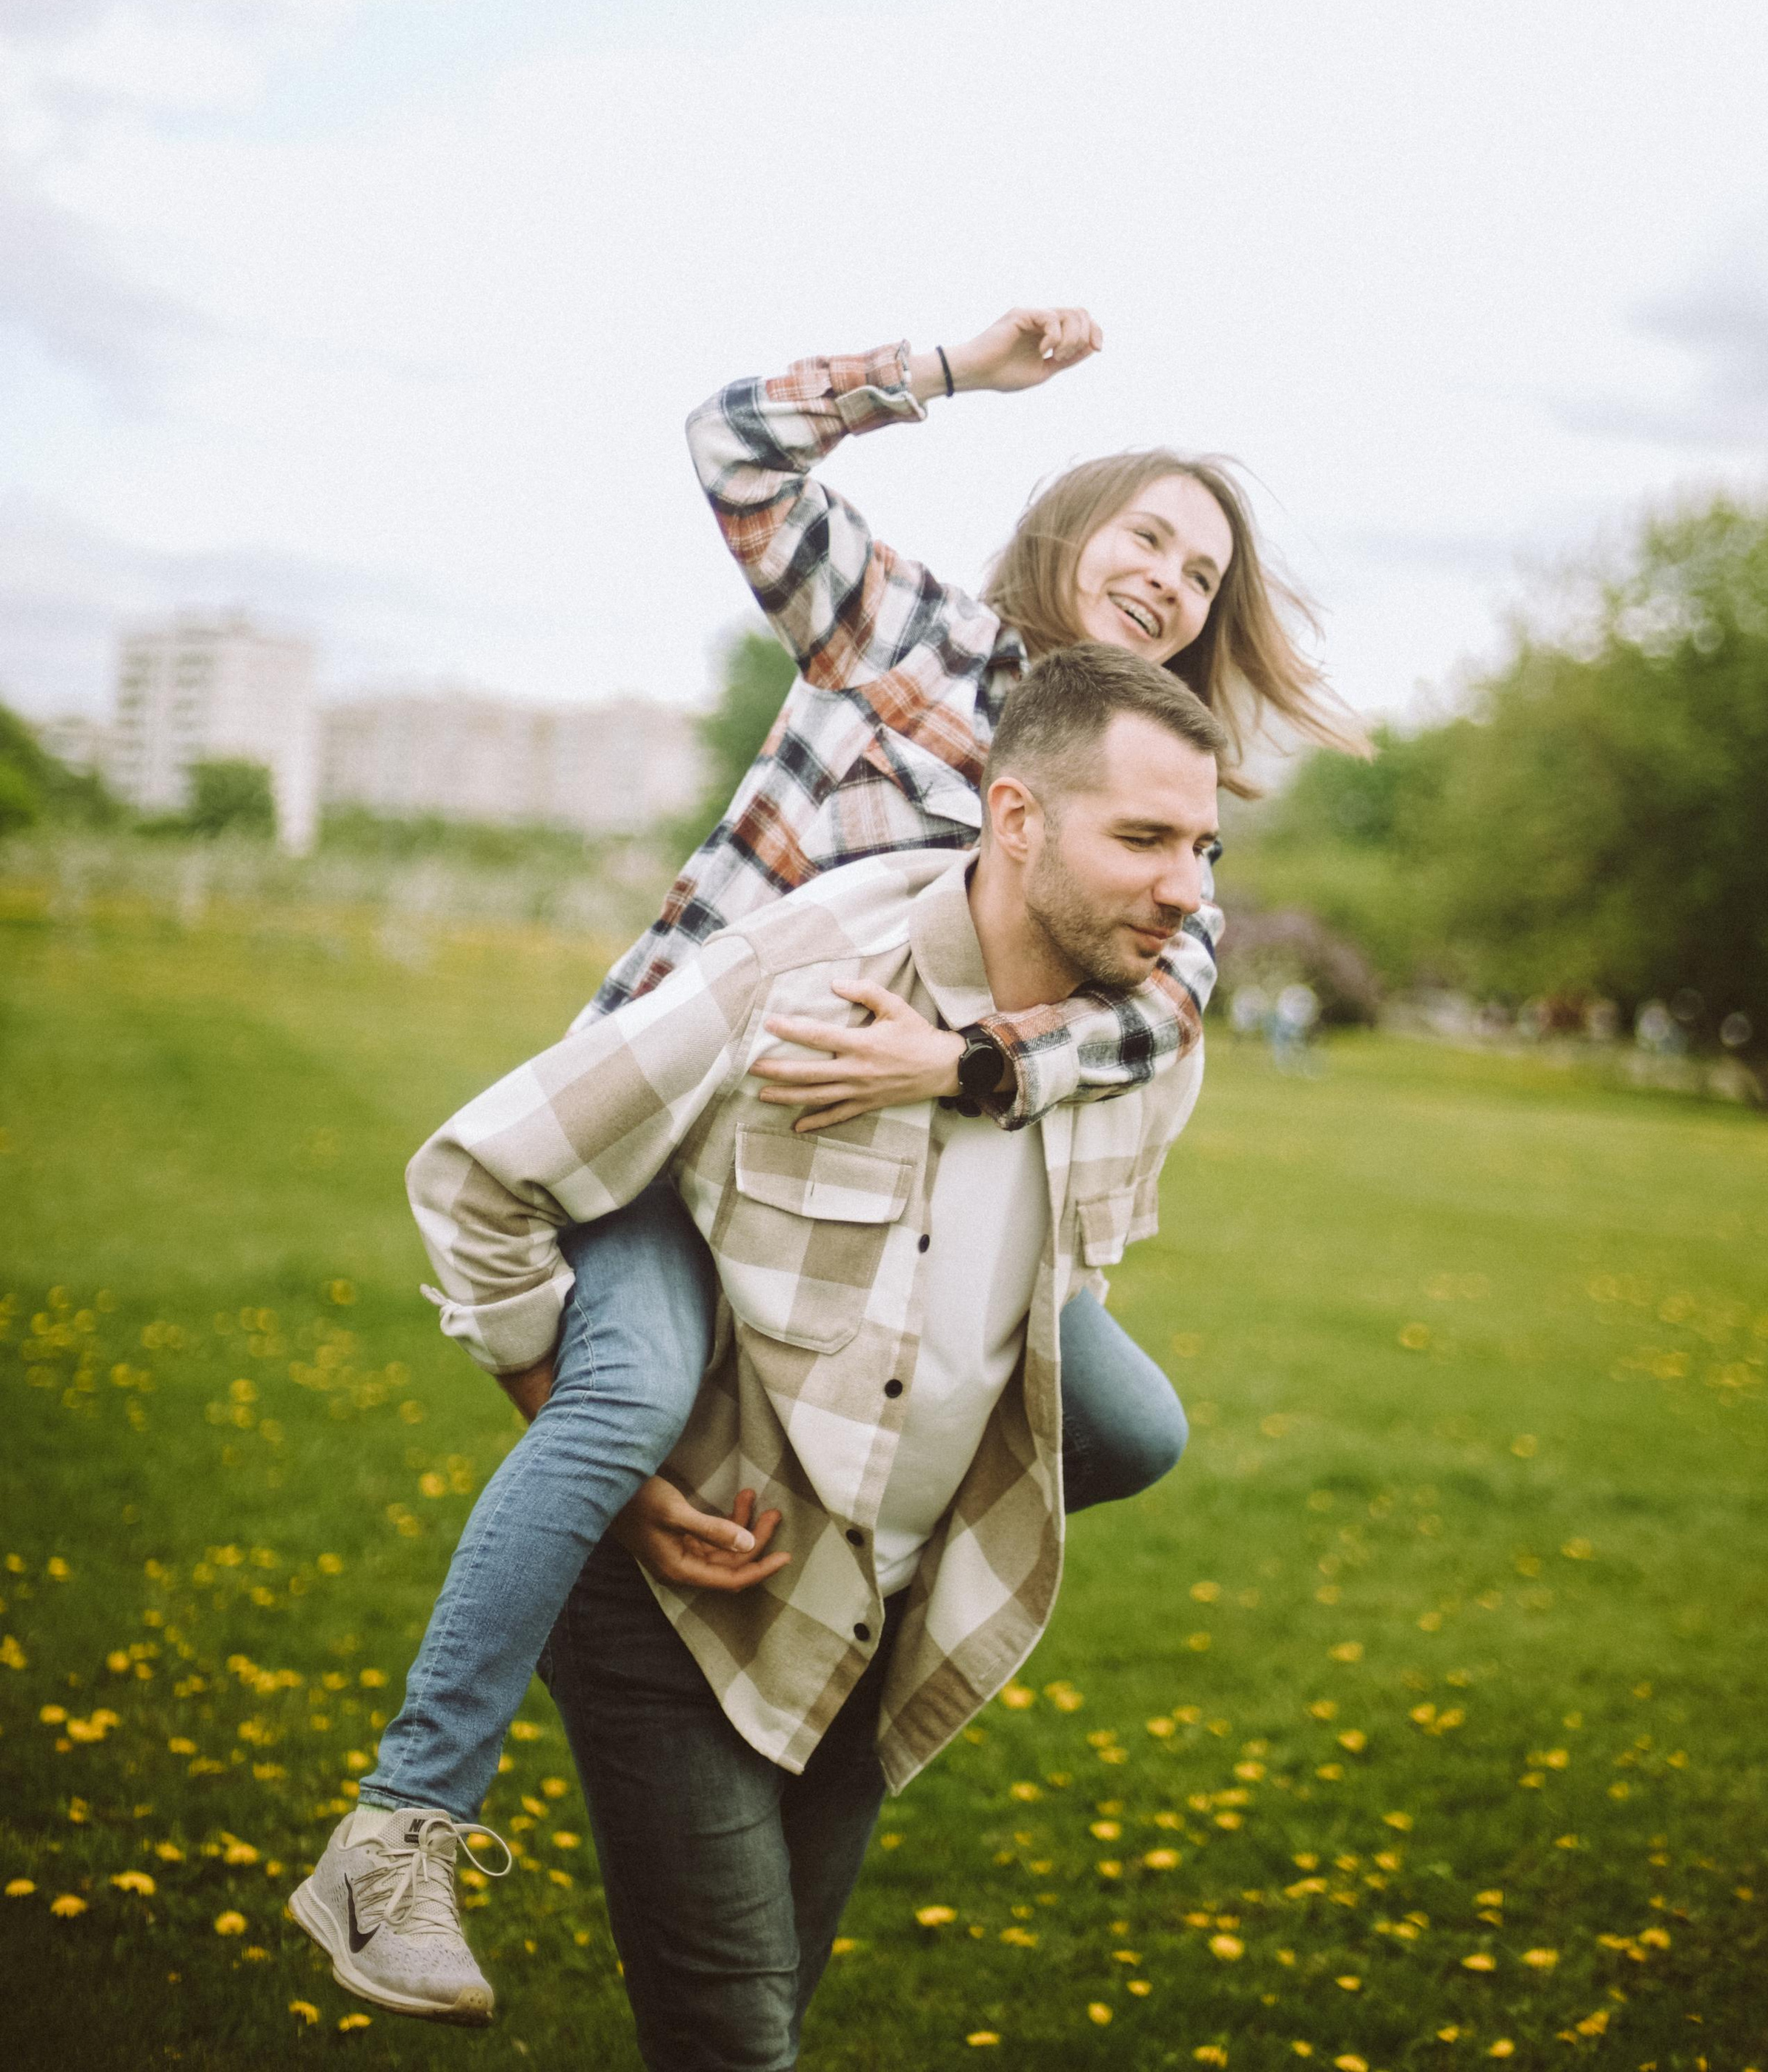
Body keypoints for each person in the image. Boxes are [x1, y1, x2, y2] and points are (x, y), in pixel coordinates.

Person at [290, 309, 1358, 2019]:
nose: (1170, 577)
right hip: (676, 1129)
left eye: (1203, 572)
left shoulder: (1153, 793)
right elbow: (734, 442)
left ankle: (837, 1548)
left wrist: (960, 1063)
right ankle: (404, 1821)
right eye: (1146, 534)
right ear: (1069, 531)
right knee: (625, 1400)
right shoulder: (912, 635)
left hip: (883, 1184)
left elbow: (1161, 1010)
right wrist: (949, 371)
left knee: (1131, 1425)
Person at [298, 646, 1226, 2068]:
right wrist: (591, 1445)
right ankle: (399, 1826)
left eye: (1204, 845)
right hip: (682, 1611)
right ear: (1018, 819)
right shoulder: (808, 969)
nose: (1188, 888)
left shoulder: (1143, 1042)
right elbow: (484, 1176)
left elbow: (1048, 1311)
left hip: (877, 1624)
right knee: (737, 2045)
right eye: (1146, 839)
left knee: (752, 2028)